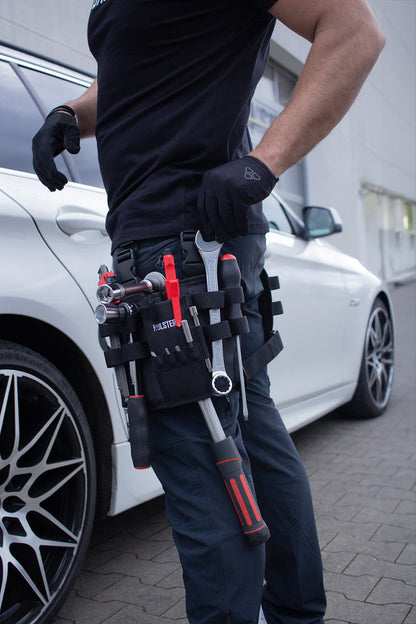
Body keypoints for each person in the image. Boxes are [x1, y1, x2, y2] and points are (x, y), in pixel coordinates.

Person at [32, 1, 385, 622]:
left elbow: (354, 30)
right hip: (187, 247)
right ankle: (297, 613)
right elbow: (137, 71)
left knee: (202, 466)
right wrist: (72, 113)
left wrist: (263, 162)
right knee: (250, 430)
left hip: (182, 244)